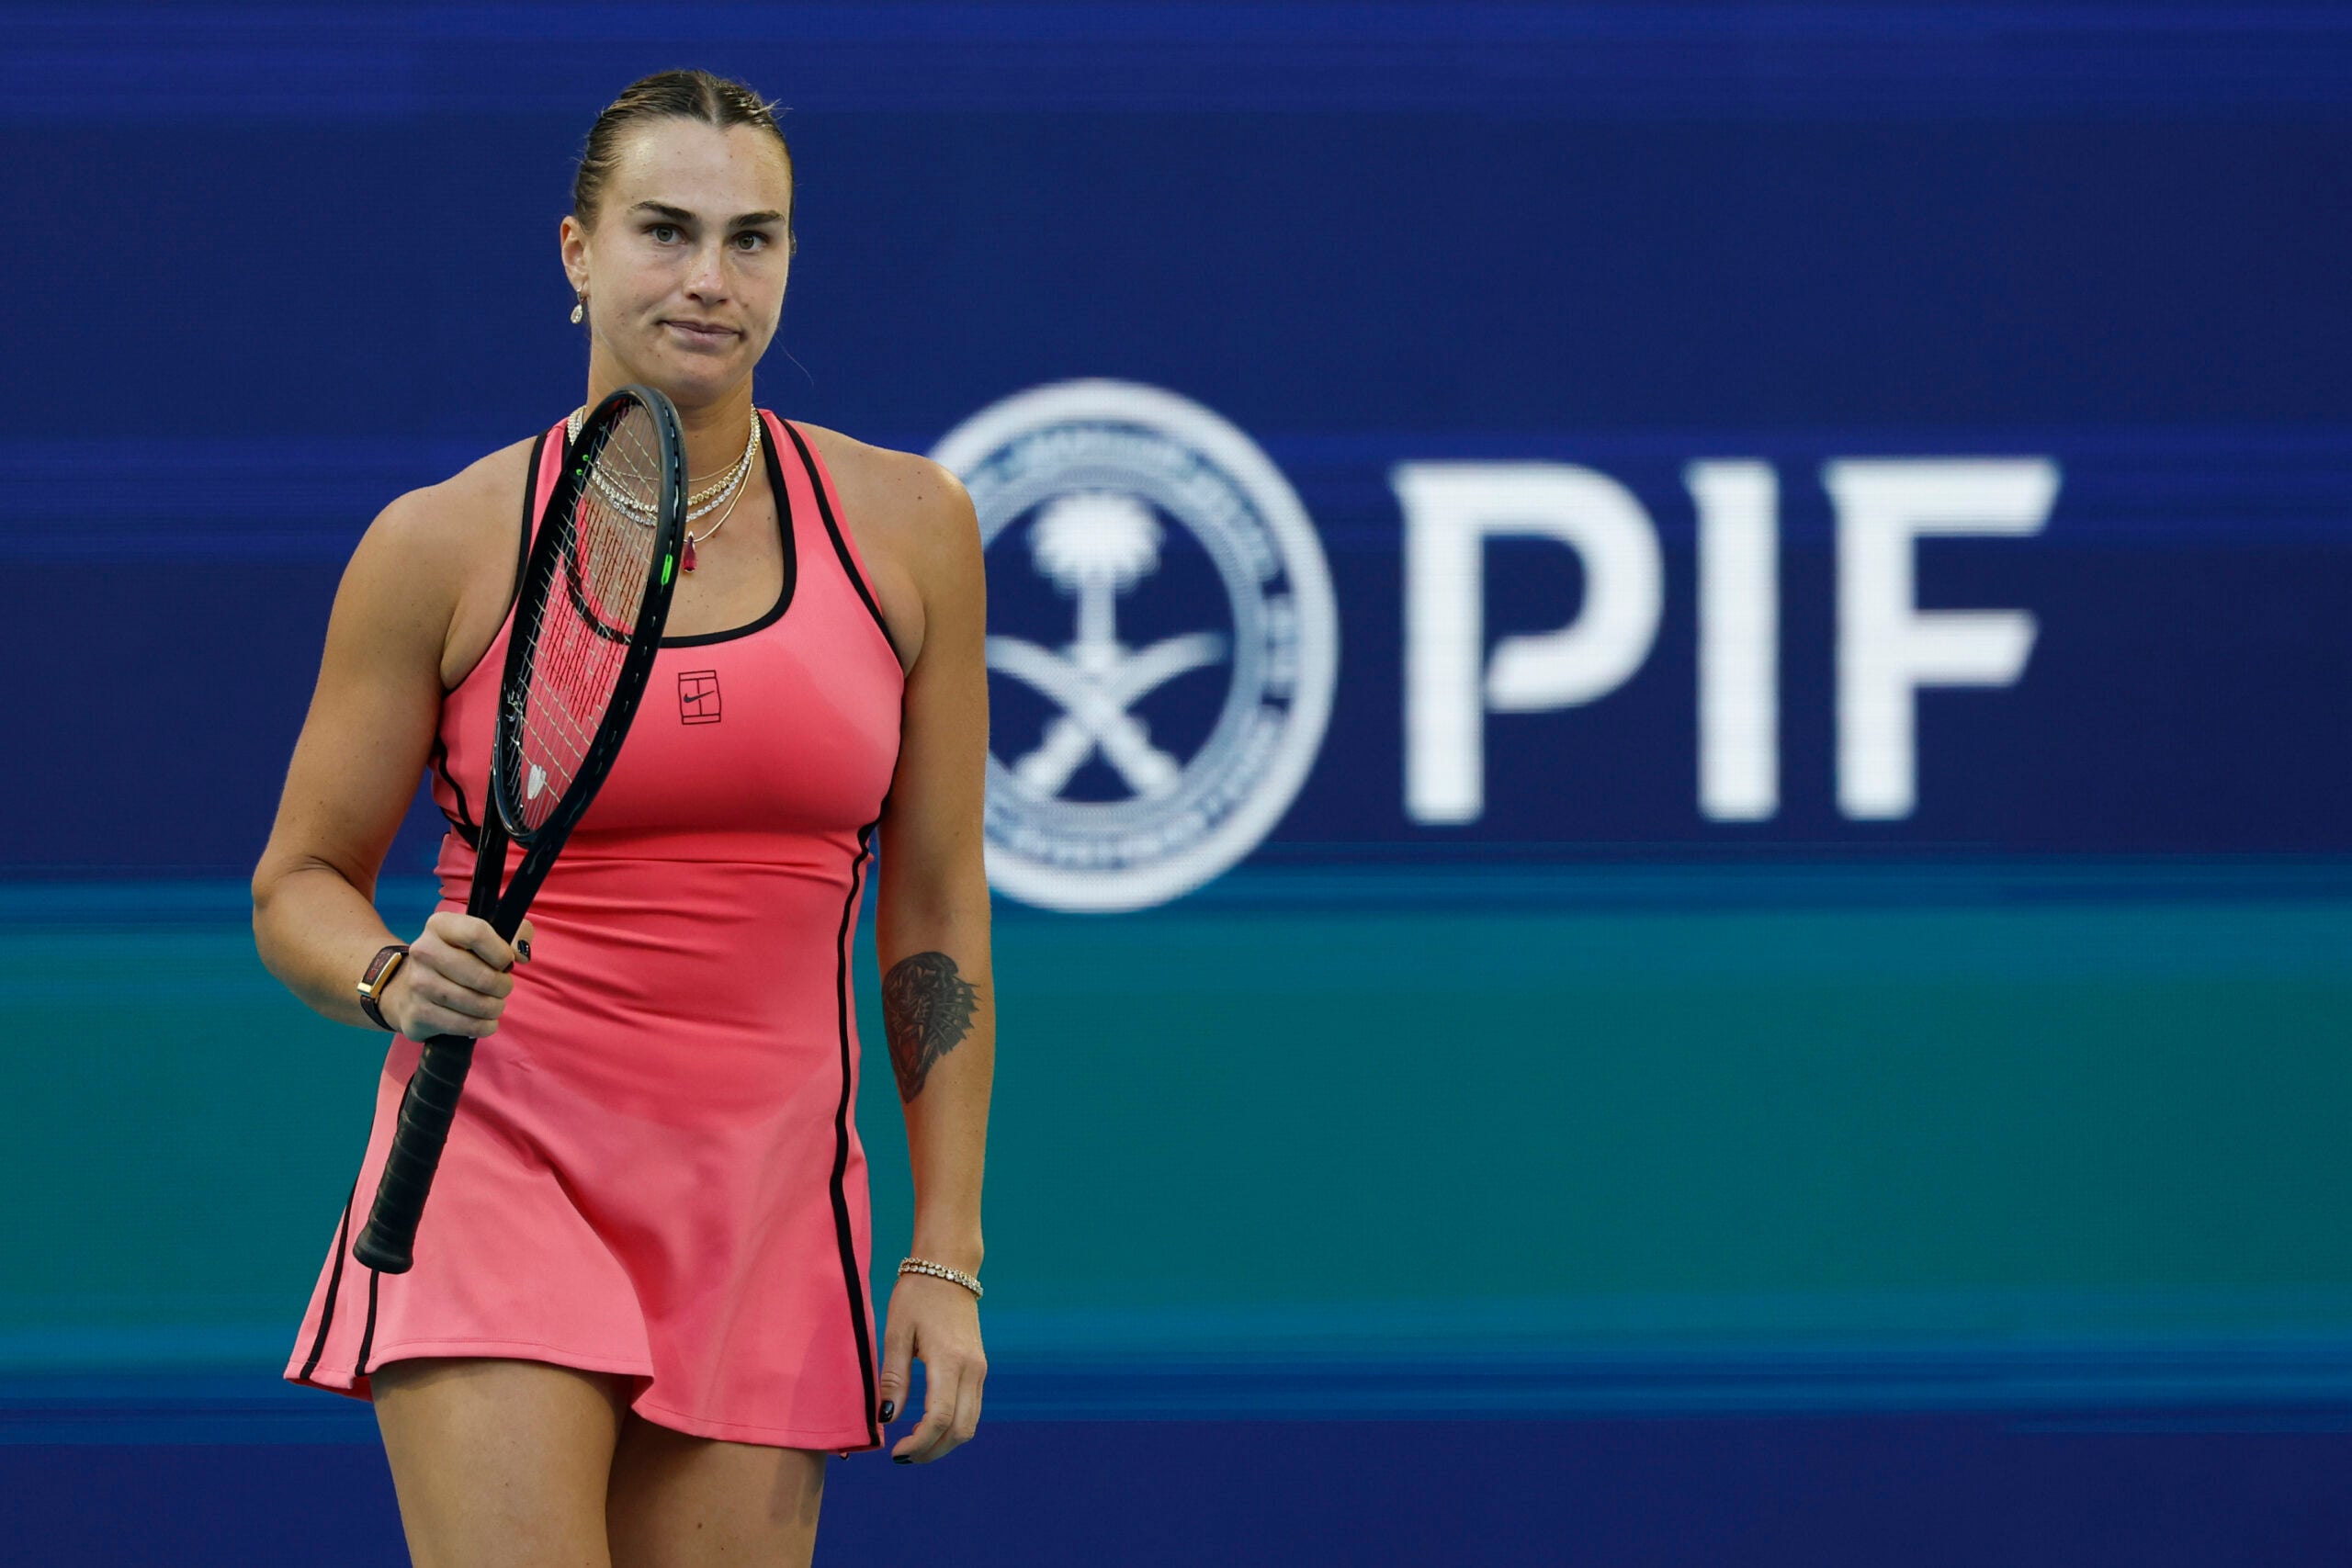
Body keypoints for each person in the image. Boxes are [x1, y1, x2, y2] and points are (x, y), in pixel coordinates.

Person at [249, 68, 992, 1565]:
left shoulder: (912, 526)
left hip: (774, 1197)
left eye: (754, 238)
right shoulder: (440, 543)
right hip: (497, 1161)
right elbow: (299, 882)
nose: (711, 279)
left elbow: (935, 914)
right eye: (664, 230)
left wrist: (946, 1252)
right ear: (577, 252)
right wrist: (392, 977)